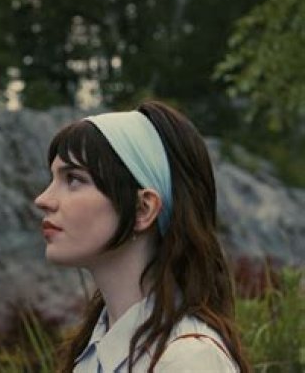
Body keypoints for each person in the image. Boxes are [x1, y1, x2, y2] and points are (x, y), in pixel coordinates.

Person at [34, 101, 250, 372]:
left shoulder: (188, 360)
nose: (43, 199)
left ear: (143, 209)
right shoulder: (92, 354)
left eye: (74, 179)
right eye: (53, 179)